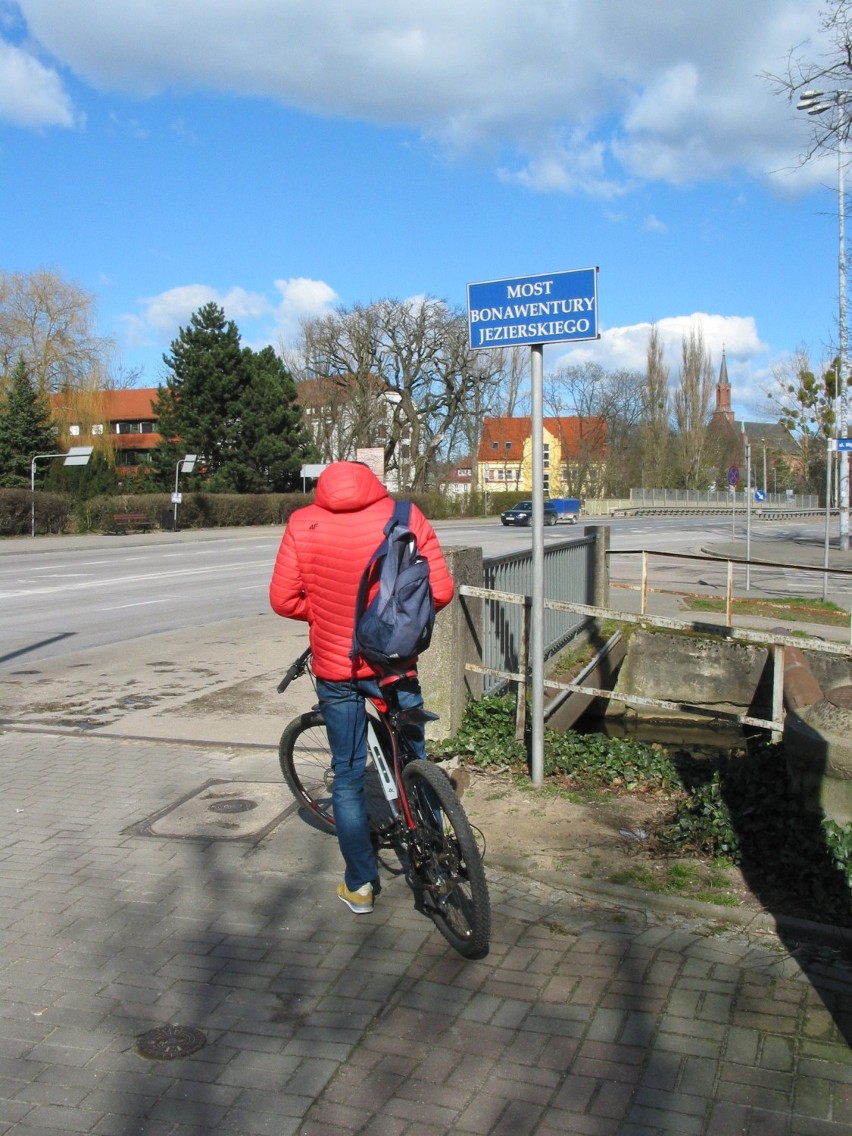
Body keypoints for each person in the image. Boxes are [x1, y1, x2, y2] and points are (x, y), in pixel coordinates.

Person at [269, 461, 455, 914]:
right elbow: (442, 592)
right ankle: (440, 860)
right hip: (394, 666)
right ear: (375, 483)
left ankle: (360, 887)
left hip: (337, 669)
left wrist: (325, 615)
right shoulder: (407, 517)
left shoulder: (302, 522)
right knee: (415, 758)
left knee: (349, 775)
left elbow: (283, 599)